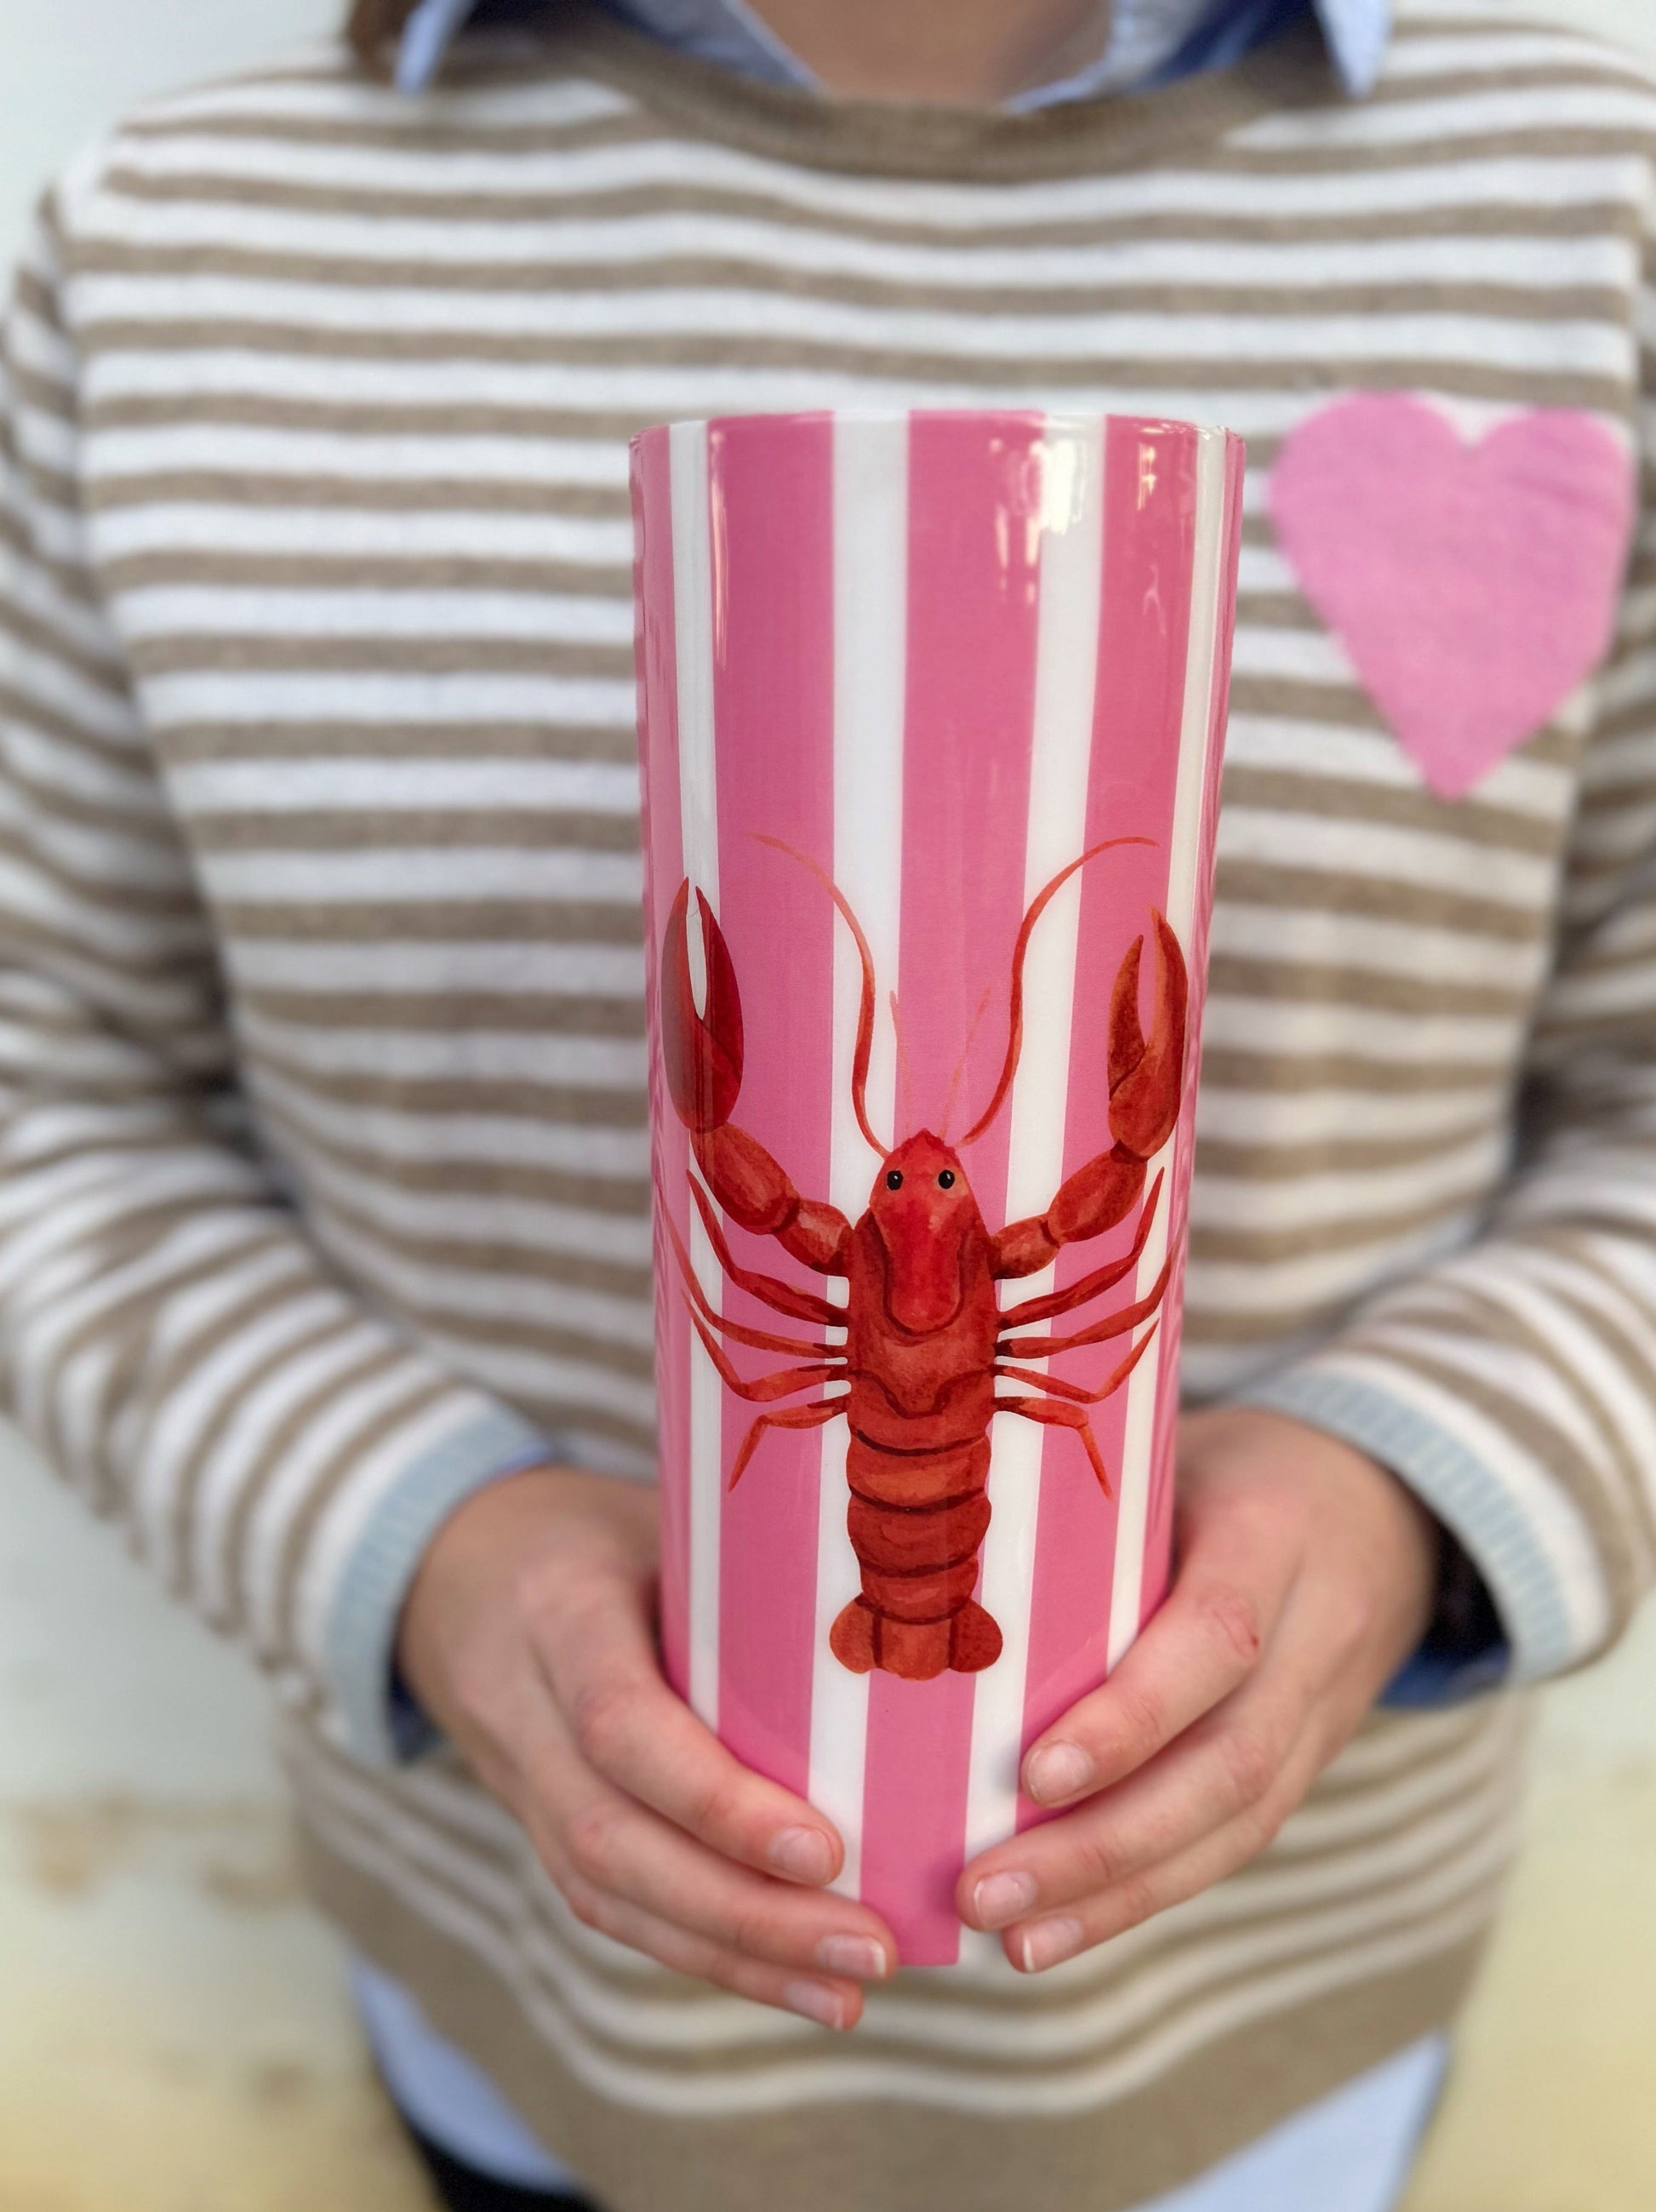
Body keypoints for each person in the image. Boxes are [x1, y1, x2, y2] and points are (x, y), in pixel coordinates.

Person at [1, 0, 1652, 2206]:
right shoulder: (169, 247)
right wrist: (425, 1544)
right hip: (536, 2020)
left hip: (1269, 2042)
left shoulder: (1596, 194)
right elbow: (46, 1087)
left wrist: (1402, 1497)